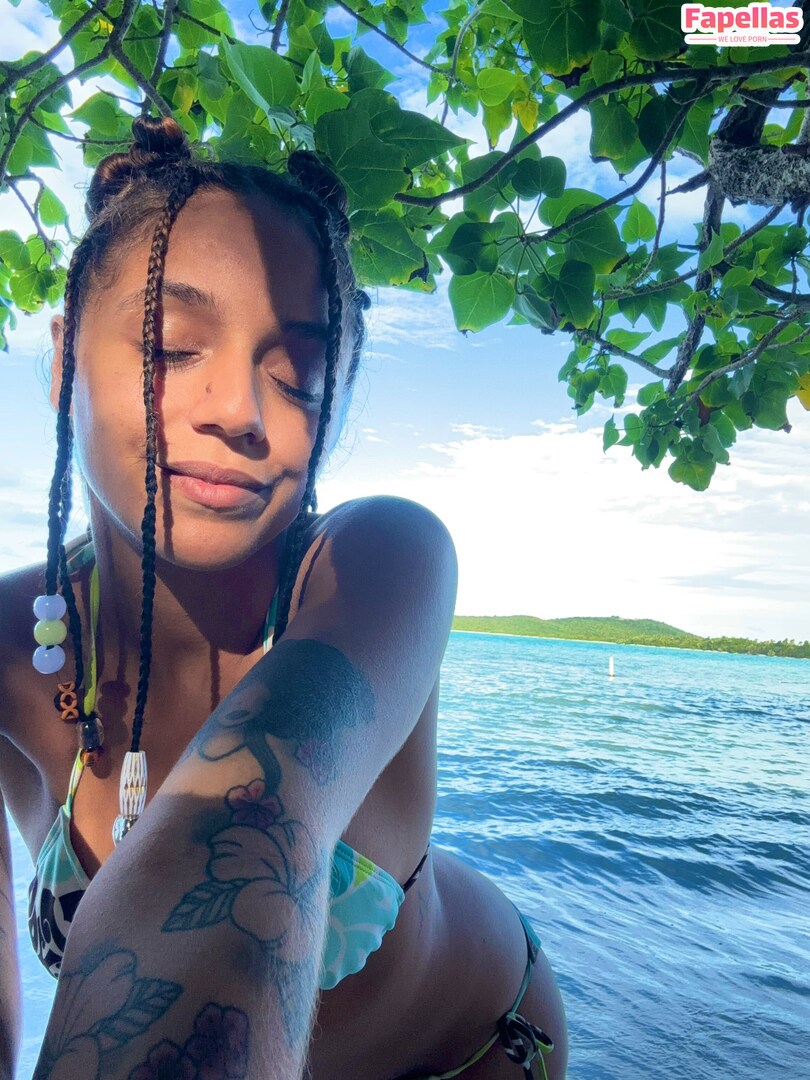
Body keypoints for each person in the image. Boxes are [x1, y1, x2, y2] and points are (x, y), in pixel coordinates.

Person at [0, 115, 568, 1080]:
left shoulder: (375, 565)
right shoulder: (12, 650)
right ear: (63, 360)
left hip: (467, 1049)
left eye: (299, 375)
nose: (239, 410)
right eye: (172, 347)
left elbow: (252, 822)